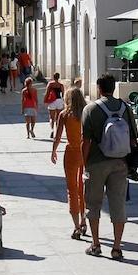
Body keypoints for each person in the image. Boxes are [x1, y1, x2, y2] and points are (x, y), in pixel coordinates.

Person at [81, 73, 138, 260]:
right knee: (118, 204)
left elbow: (86, 141)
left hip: (97, 162)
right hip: (120, 162)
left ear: (99, 88)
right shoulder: (125, 108)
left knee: (93, 203)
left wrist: (84, 163)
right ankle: (116, 247)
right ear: (113, 88)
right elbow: (132, 139)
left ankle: (96, 244)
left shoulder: (90, 109)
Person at [51, 87, 88, 239]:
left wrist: (53, 151)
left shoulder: (65, 114)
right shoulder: (87, 113)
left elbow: (58, 136)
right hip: (85, 153)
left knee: (72, 189)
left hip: (71, 152)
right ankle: (84, 219)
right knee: (82, 188)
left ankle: (76, 226)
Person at [44, 73, 66, 138]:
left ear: (53, 77)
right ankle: (57, 132)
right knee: (58, 118)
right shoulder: (61, 85)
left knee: (51, 117)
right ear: (58, 77)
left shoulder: (50, 84)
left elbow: (47, 93)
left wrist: (45, 100)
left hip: (52, 101)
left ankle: (52, 130)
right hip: (59, 101)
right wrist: (63, 102)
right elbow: (63, 94)